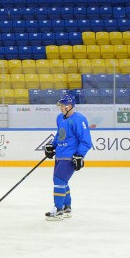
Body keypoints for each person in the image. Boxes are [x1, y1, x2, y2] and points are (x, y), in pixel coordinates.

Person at [45, 92, 91, 221]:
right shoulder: (60, 118)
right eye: (61, 105)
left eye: (64, 105)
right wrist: (52, 146)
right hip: (60, 155)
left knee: (58, 180)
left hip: (70, 156)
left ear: (71, 105)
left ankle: (58, 210)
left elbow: (86, 141)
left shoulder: (79, 119)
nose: (61, 107)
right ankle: (66, 207)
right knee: (62, 181)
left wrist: (79, 155)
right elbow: (60, 134)